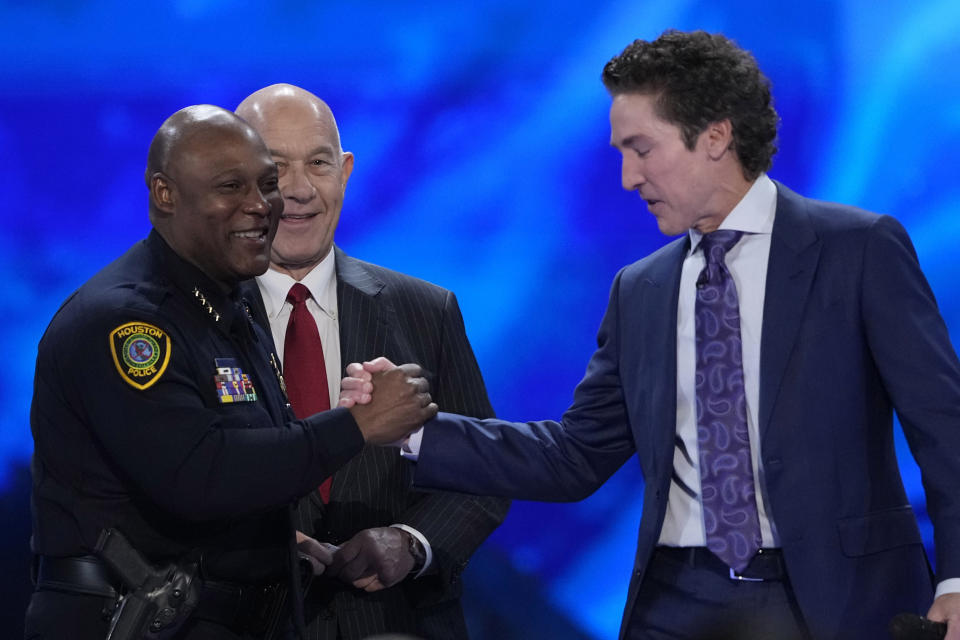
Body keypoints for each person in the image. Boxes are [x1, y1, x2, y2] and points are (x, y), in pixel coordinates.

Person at [342, 30, 960, 640]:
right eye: (619, 153)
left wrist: (956, 579)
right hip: (678, 600)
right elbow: (572, 458)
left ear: (715, 136)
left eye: (641, 149)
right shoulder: (641, 290)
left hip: (837, 598)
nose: (627, 178)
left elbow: (944, 425)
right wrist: (416, 430)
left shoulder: (857, 249)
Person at [25, 105, 434, 640]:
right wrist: (356, 424)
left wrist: (271, 544)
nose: (261, 205)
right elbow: (199, 476)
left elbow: (239, 462)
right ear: (164, 194)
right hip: (124, 621)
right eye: (230, 187)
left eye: (266, 185)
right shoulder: (126, 322)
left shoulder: (226, 307)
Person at [234, 84, 509, 640]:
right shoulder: (195, 315)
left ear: (347, 170)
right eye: (275, 167)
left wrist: (411, 543)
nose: (300, 189)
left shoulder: (426, 310)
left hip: (396, 621)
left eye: (318, 162)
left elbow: (482, 472)